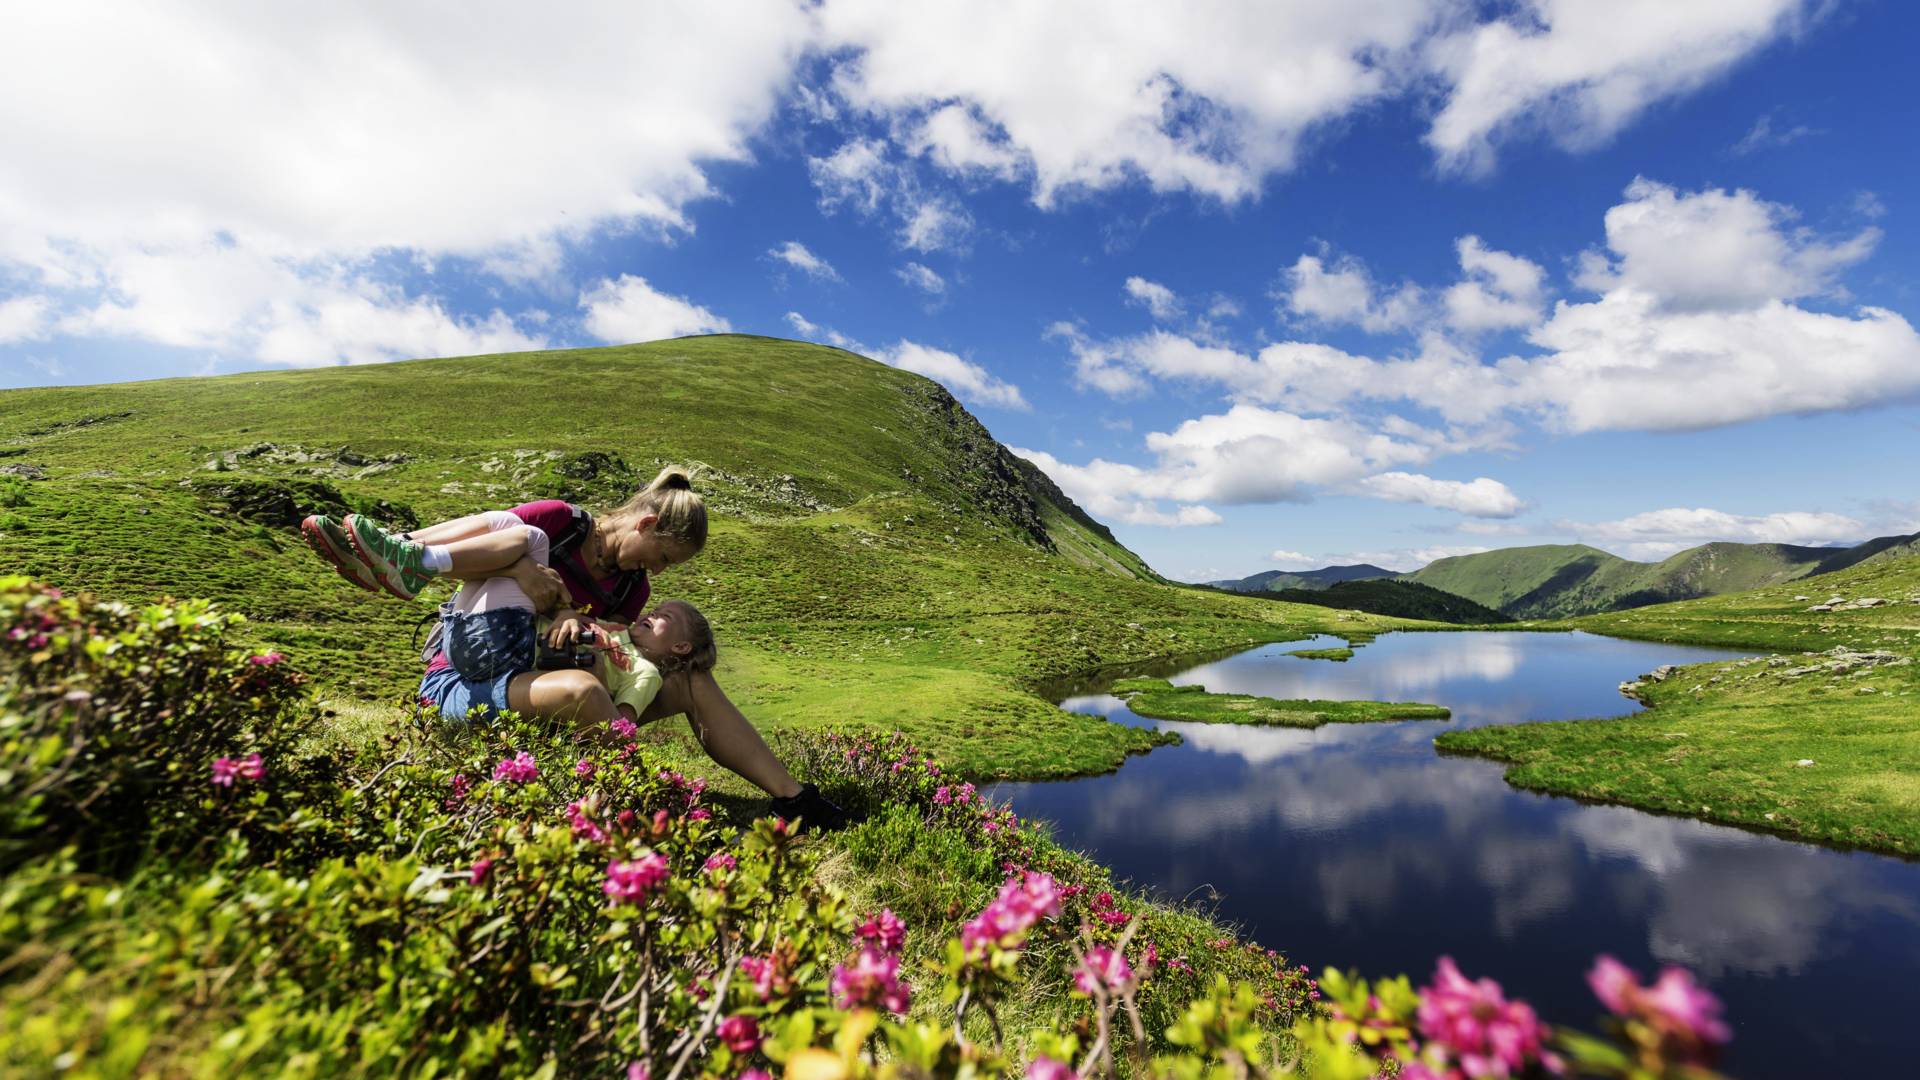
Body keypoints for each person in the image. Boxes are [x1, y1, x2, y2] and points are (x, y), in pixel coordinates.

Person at [299, 467, 844, 827]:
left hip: (540, 680)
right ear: (646, 523)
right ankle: (400, 552)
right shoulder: (558, 524)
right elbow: (485, 561)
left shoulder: (634, 590)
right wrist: (530, 577)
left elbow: (606, 649)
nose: (657, 571)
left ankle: (794, 799)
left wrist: (566, 614)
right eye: (662, 556)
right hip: (469, 674)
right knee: (518, 537)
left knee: (687, 677)